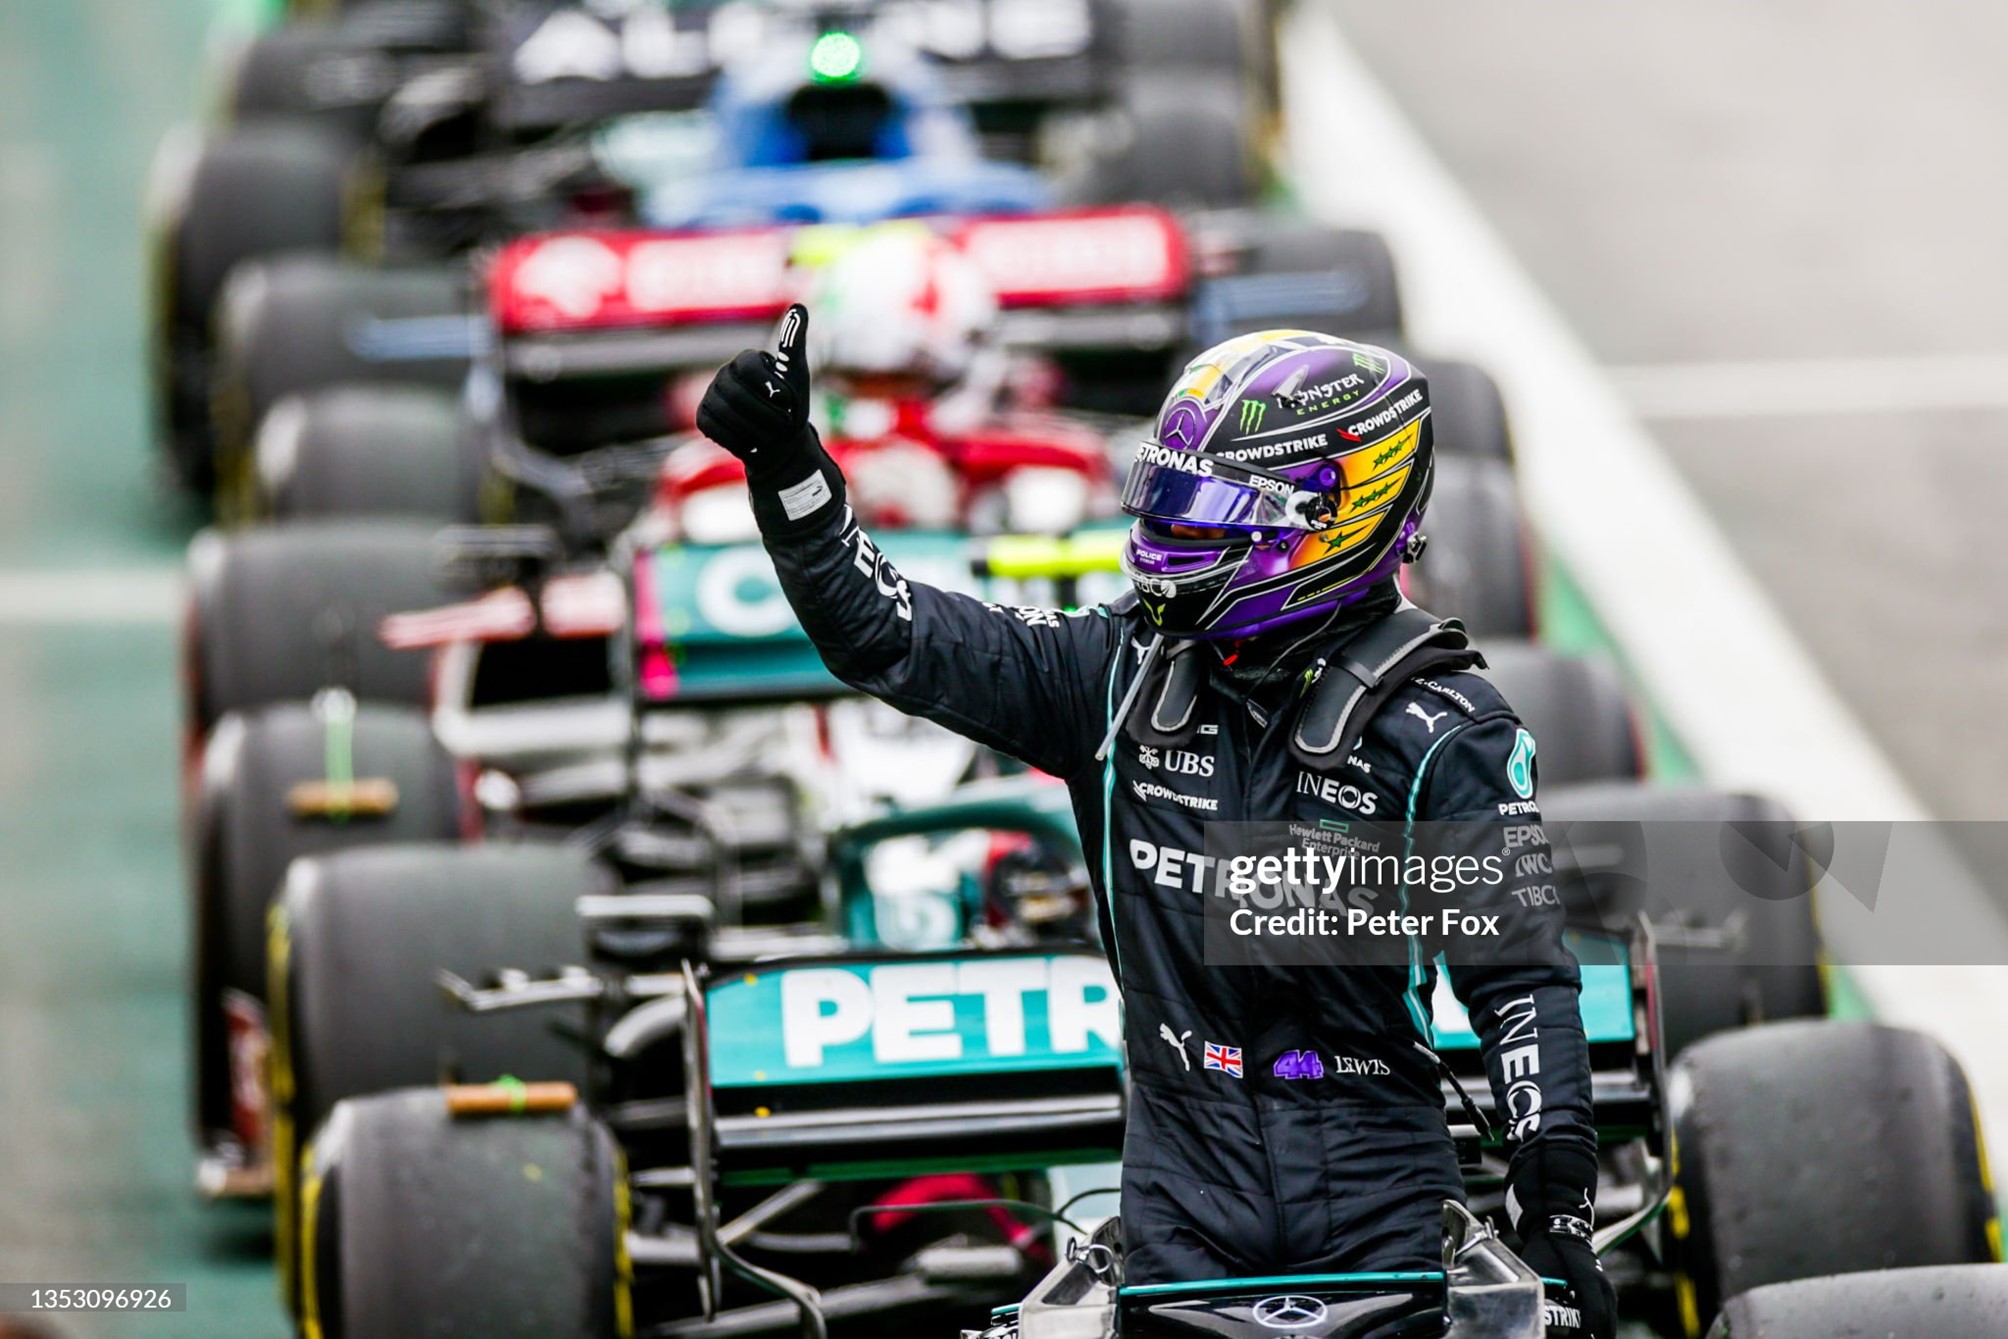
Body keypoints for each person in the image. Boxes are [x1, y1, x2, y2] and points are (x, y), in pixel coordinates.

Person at [696, 311, 1615, 1336]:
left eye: (1215, 516)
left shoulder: (1445, 732)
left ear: (1333, 513)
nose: (1177, 543)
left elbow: (1522, 983)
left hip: (1378, 1205)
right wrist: (787, 467)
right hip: (1178, 1201)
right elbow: (884, 635)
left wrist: (1555, 1198)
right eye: (1174, 509)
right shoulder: (1113, 673)